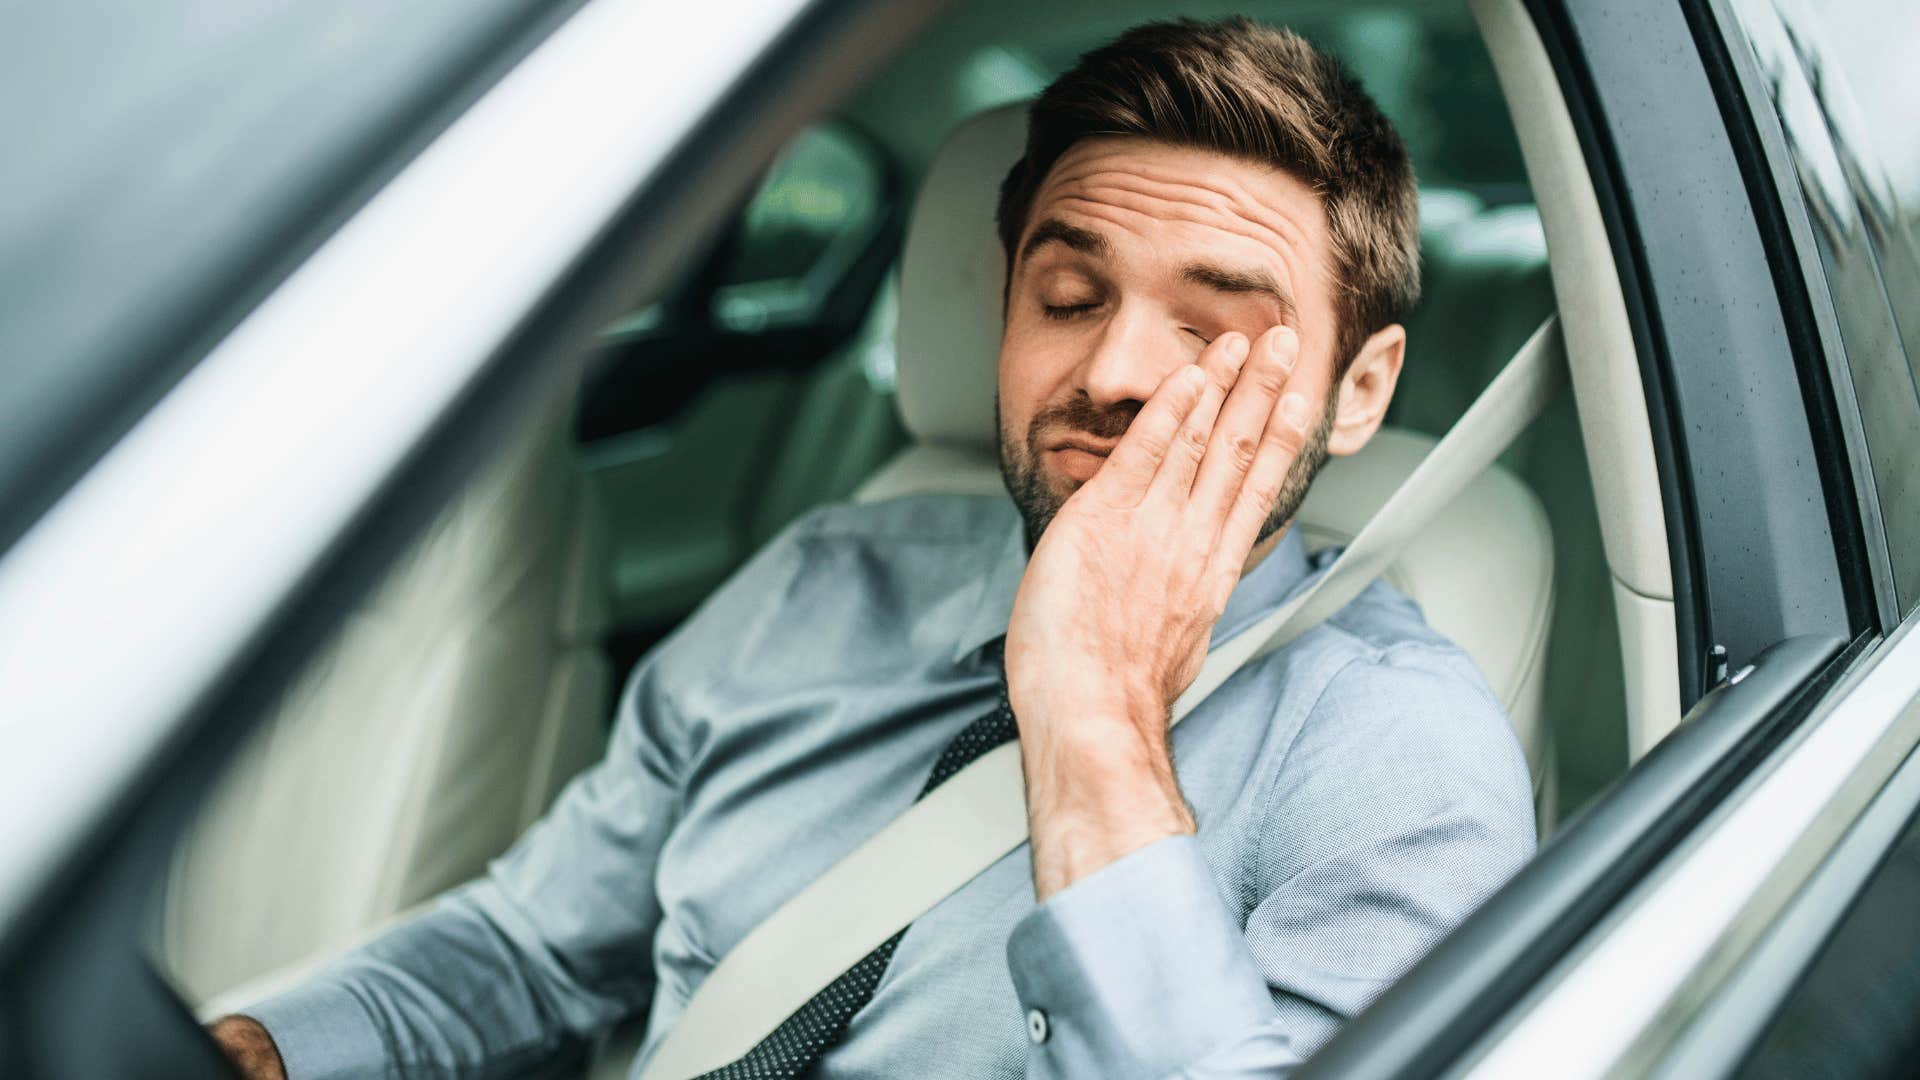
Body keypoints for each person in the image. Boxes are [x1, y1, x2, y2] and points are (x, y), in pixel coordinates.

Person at [211, 16, 1534, 1079]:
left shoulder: (1399, 760)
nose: (1117, 369)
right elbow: (529, 949)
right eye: (1069, 297)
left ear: (1360, 392)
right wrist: (268, 1048)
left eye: (1213, 323)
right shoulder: (823, 580)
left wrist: (1096, 727)